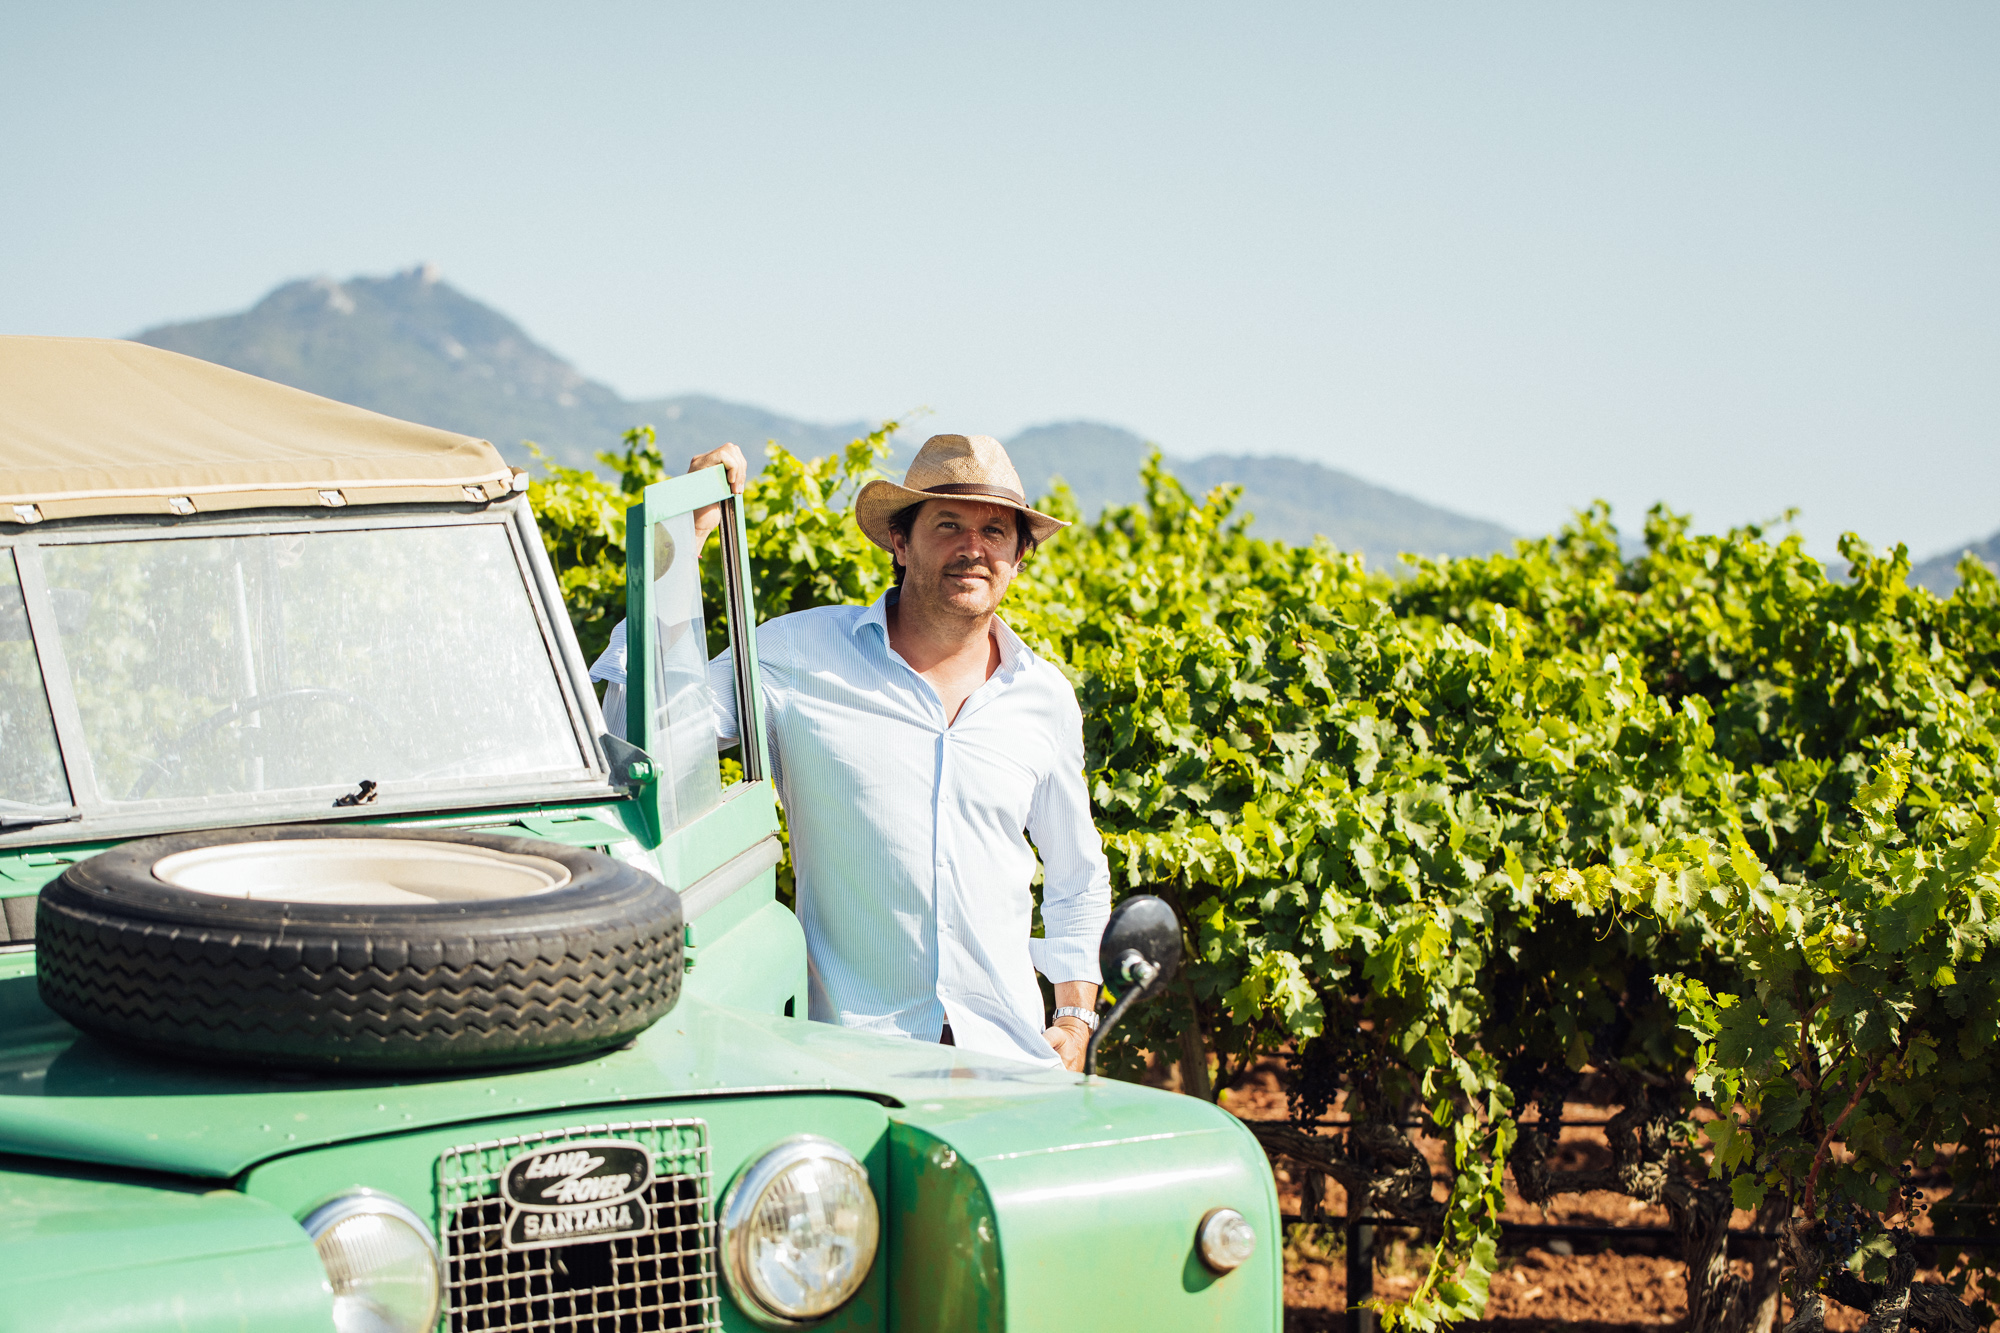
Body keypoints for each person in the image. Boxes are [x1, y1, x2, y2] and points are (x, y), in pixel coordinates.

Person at [591, 433, 1111, 1071]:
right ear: (900, 541)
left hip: (1007, 1060)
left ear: (1018, 555)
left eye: (995, 531)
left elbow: (1077, 872)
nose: (973, 548)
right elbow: (642, 740)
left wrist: (1076, 1017)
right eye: (948, 524)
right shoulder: (797, 654)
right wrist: (682, 539)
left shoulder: (1043, 697)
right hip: (852, 1061)